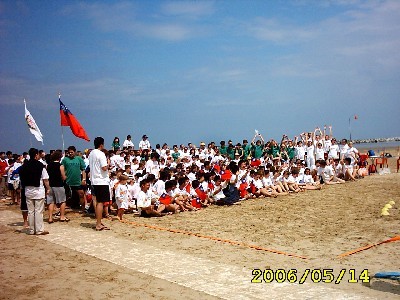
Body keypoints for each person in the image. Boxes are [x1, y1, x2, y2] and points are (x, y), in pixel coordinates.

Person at [19, 148, 50, 235]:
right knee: (38, 211)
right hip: (38, 190)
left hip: (28, 190)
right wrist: (48, 188)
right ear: (36, 155)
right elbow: (45, 179)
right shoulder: (41, 166)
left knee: (31, 211)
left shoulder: (24, 166)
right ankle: (39, 230)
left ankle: (32, 230)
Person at [89, 137, 111, 231]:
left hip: (94, 180)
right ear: (101, 144)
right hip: (101, 180)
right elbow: (104, 168)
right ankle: (98, 224)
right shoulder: (101, 154)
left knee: (98, 202)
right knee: (100, 203)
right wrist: (109, 164)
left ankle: (99, 222)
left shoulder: (91, 153)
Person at [62, 146, 87, 210]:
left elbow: (83, 169)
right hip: (68, 181)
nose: (70, 153)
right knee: (68, 195)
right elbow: (62, 168)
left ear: (75, 152)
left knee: (81, 194)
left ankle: (83, 208)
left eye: (72, 152)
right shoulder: (65, 159)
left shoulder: (79, 159)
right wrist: (64, 176)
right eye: (69, 152)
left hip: (77, 181)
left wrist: (84, 179)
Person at [47, 151, 68, 223]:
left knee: (51, 202)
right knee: (62, 201)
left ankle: (50, 218)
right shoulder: (60, 166)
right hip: (59, 185)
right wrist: (65, 177)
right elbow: (63, 177)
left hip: (51, 185)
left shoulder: (48, 165)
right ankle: (62, 216)